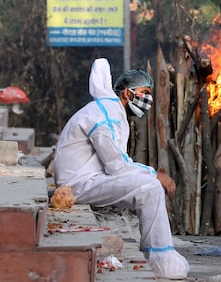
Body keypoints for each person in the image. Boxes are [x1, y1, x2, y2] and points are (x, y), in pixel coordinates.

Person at [53, 58, 189, 279]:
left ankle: (157, 256)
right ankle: (162, 261)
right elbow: (116, 165)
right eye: (144, 92)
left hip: (86, 180)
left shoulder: (109, 110)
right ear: (127, 93)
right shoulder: (106, 113)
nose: (148, 98)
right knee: (150, 188)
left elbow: (117, 163)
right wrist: (154, 174)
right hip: (76, 186)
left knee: (149, 186)